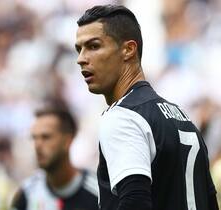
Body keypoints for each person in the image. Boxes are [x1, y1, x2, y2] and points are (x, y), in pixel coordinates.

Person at [75, 4, 218, 210]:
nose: (81, 59)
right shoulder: (183, 119)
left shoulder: (123, 117)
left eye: (94, 46)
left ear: (128, 49)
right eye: (79, 49)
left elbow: (135, 202)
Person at [11, 107, 98, 210]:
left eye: (46, 137)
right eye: (34, 138)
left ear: (67, 141)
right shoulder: (27, 193)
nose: (37, 145)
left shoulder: (98, 191)